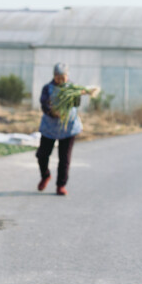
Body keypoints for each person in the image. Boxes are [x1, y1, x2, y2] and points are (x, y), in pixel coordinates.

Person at [36, 63, 85, 196]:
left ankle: (61, 185)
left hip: (68, 127)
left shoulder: (73, 87)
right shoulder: (47, 88)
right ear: (54, 76)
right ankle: (45, 175)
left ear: (67, 76)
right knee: (42, 155)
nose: (61, 80)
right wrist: (53, 112)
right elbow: (44, 104)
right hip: (50, 127)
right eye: (58, 77)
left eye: (63, 77)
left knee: (64, 158)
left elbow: (77, 104)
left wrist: (78, 94)